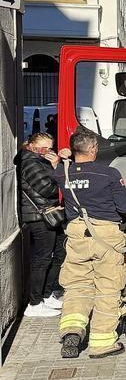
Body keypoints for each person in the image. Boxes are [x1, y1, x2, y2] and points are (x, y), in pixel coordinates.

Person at [54, 130, 126, 359]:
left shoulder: (62, 173)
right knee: (107, 288)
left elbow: (60, 170)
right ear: (92, 149)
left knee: (77, 286)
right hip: (106, 238)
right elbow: (125, 209)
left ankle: (72, 331)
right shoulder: (109, 173)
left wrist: (63, 158)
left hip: (77, 237)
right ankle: (101, 342)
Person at [16, 132, 66, 317]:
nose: (48, 152)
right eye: (44, 148)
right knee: (42, 259)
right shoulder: (30, 162)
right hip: (39, 217)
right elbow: (48, 189)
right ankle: (35, 304)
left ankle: (46, 294)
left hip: (49, 214)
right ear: (32, 146)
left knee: (60, 252)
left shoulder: (38, 159)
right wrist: (55, 168)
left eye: (50, 148)